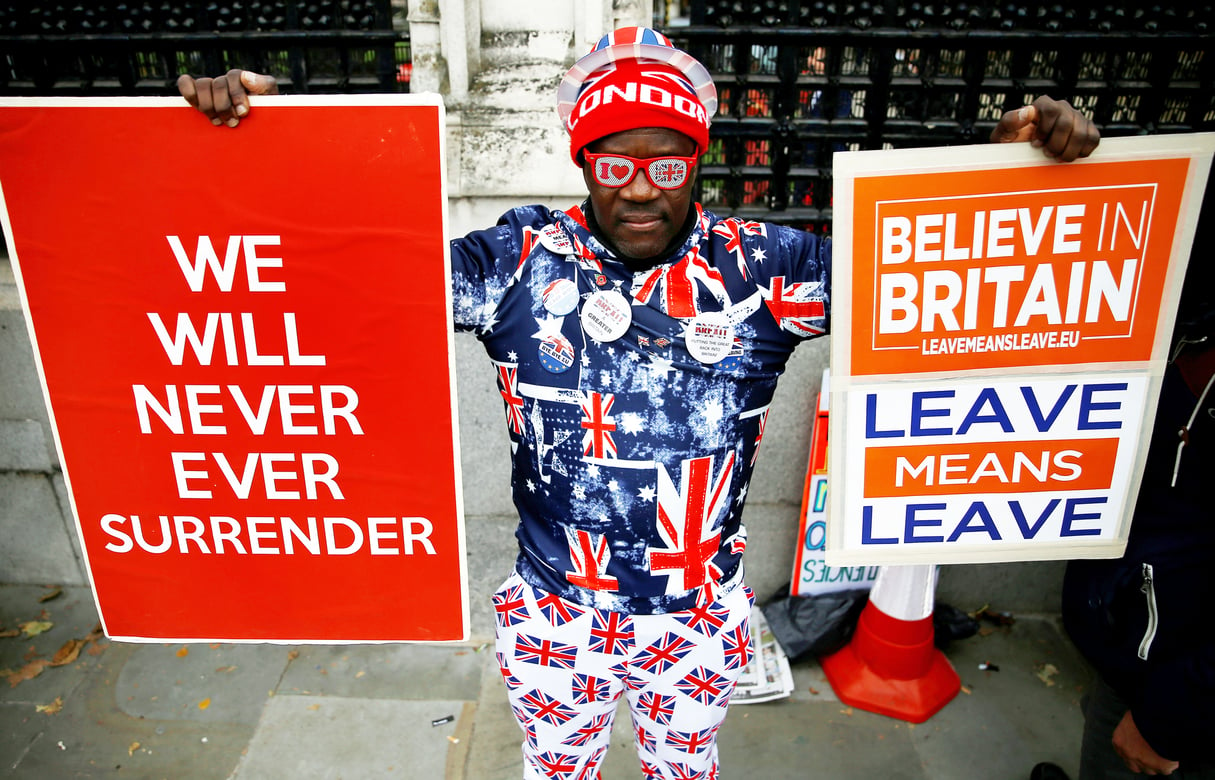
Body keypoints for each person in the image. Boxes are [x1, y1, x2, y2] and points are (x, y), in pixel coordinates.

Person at [179, 27, 1098, 780]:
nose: (640, 188)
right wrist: (272, 139)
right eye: (616, 162)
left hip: (696, 619)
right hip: (554, 614)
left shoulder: (763, 268)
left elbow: (924, 258)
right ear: (584, 161)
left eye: (666, 163)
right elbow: (351, 265)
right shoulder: (516, 262)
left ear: (695, 159)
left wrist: (1010, 167)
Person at [1032, 177, 1215, 780]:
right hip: (1129, 641)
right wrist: (1026, 187)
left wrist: (1174, 717)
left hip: (1180, 694)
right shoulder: (1185, 321)